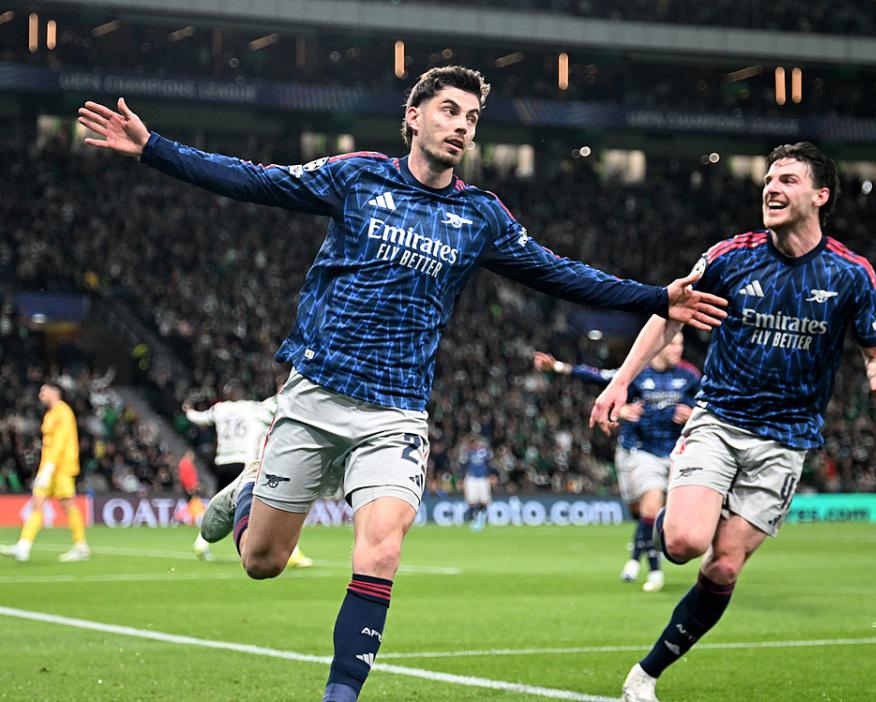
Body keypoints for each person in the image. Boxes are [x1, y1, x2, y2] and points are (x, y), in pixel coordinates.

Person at [78, 65, 727, 701]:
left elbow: (558, 272)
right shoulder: (357, 176)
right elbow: (256, 179)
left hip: (396, 414)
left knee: (381, 553)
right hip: (315, 396)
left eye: (472, 117)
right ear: (413, 117)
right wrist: (154, 148)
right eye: (449, 110)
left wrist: (655, 297)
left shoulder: (480, 215)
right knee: (262, 562)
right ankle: (251, 490)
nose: (462, 126)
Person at [589, 142, 876, 702]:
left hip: (787, 441)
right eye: (768, 180)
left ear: (820, 196)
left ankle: (645, 676)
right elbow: (668, 315)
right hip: (720, 420)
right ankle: (669, 521)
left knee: (724, 569)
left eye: (787, 180)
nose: (772, 188)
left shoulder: (851, 273)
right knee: (684, 543)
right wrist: (619, 381)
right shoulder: (732, 256)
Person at [533, 331, 699, 592]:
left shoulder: (689, 376)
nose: (678, 349)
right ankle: (644, 563)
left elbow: (707, 405)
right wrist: (558, 367)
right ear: (660, 346)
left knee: (651, 511)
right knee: (644, 510)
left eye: (681, 344)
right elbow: (599, 377)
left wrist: (693, 415)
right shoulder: (637, 373)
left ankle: (648, 568)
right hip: (640, 451)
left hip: (675, 452)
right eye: (673, 344)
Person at [184, 387, 313, 568]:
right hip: (246, 463)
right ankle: (292, 552)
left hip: (223, 462)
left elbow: (200, 418)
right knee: (267, 506)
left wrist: (189, 411)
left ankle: (201, 543)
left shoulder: (220, 409)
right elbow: (280, 402)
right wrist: (287, 389)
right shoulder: (254, 408)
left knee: (219, 508)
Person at [0, 383, 89, 562]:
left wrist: (49, 468)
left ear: (54, 392)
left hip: (61, 467)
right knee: (37, 503)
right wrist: (45, 468)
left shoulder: (63, 412)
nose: (40, 394)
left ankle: (81, 547)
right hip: (48, 466)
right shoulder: (50, 414)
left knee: (68, 504)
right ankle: (23, 547)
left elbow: (60, 442)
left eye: (44, 391)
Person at [457, 434, 495, 531]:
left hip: (483, 478)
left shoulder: (484, 452)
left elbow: (490, 464)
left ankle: (482, 518)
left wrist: (492, 475)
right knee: (472, 501)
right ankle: (472, 520)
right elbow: (463, 467)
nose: (473, 444)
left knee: (485, 501)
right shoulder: (466, 453)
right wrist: (461, 479)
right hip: (471, 479)